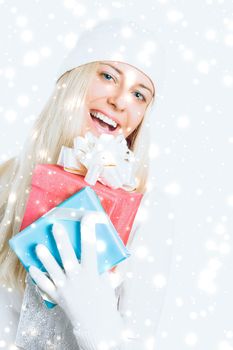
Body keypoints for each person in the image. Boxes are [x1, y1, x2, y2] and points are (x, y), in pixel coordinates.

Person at [0, 18, 174, 349]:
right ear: (74, 79)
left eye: (139, 94)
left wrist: (96, 323)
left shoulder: (148, 215)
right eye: (108, 76)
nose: (121, 102)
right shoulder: (4, 182)